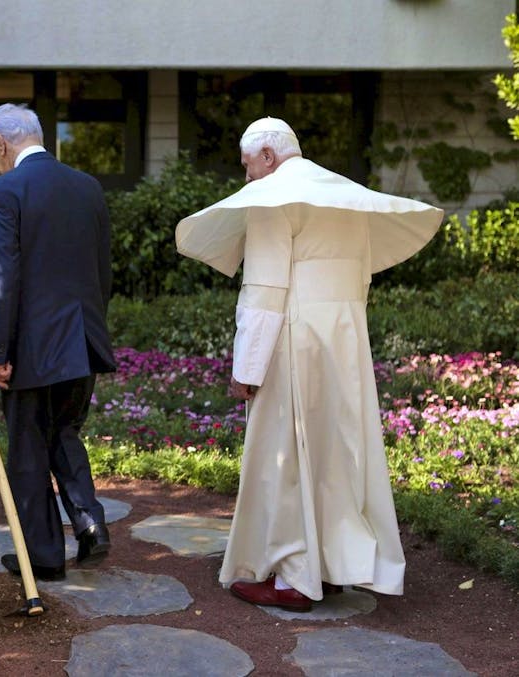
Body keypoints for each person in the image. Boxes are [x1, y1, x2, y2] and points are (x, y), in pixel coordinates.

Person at [175, 117, 443, 611]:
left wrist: (245, 369)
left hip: (293, 339)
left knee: (286, 457)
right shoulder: (344, 197)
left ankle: (293, 578)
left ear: (269, 157)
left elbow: (263, 293)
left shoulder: (273, 199)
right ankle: (330, 566)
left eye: (248, 165)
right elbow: (361, 278)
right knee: (336, 454)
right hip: (344, 339)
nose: (247, 176)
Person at [0, 103, 116, 581]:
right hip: (83, 338)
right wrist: (91, 328)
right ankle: (90, 523)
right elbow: (103, 271)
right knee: (64, 433)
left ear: (1, 144)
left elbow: (2, 277)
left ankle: (43, 557)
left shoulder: (4, 191)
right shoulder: (87, 186)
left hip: (32, 348)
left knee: (28, 448)